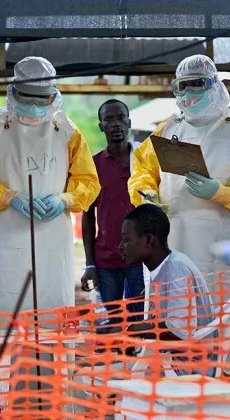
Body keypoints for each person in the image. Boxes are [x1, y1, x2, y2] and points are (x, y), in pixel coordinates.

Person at [0, 56, 100, 339]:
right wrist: (7, 197)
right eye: (27, 97)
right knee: (3, 325)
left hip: (53, 242)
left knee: (53, 320)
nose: (33, 105)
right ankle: (0, 368)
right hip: (5, 241)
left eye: (41, 99)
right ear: (13, 92)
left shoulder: (67, 132)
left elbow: (88, 181)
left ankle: (55, 369)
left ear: (53, 96)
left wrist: (65, 199)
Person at [128, 54, 230, 280]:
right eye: (182, 86)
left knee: (219, 300)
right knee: (173, 298)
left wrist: (222, 193)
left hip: (219, 245)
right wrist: (147, 194)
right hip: (172, 239)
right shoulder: (167, 129)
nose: (189, 94)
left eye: (197, 84)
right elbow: (143, 169)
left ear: (214, 85)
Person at [119, 204, 218, 376]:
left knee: (90, 376)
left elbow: (179, 330)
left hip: (187, 369)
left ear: (149, 240)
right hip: (172, 360)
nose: (120, 246)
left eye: (126, 239)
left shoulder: (176, 268)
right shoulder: (163, 266)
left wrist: (131, 330)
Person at [81, 100, 145, 319]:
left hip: (141, 259)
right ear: (101, 126)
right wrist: (89, 263)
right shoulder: (93, 165)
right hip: (106, 261)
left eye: (120, 118)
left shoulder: (144, 162)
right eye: (108, 119)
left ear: (129, 122)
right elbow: (88, 216)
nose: (115, 124)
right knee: (110, 324)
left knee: (141, 323)